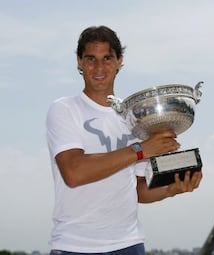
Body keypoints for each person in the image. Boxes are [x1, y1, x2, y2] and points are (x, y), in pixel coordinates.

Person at [46, 25, 202, 255]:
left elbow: (139, 191)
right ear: (79, 62)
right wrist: (140, 150)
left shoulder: (136, 118)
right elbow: (73, 172)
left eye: (107, 58)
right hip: (75, 246)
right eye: (91, 59)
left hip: (129, 245)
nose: (99, 67)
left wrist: (173, 188)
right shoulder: (64, 109)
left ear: (119, 61)